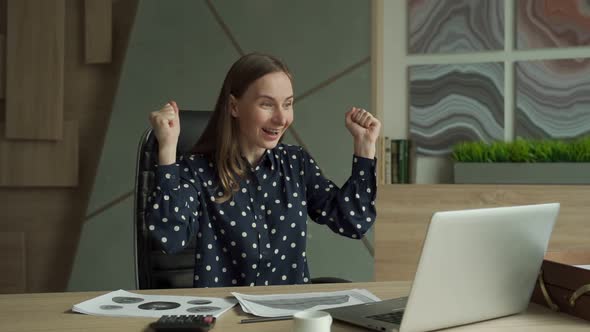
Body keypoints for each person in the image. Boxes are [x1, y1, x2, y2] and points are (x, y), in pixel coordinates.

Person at [147, 52, 381, 288]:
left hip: (290, 316)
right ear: (234, 106)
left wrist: (365, 145)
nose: (281, 118)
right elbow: (171, 236)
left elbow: (353, 221)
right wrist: (167, 149)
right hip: (225, 318)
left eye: (288, 104)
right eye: (267, 104)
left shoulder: (296, 163)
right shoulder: (198, 170)